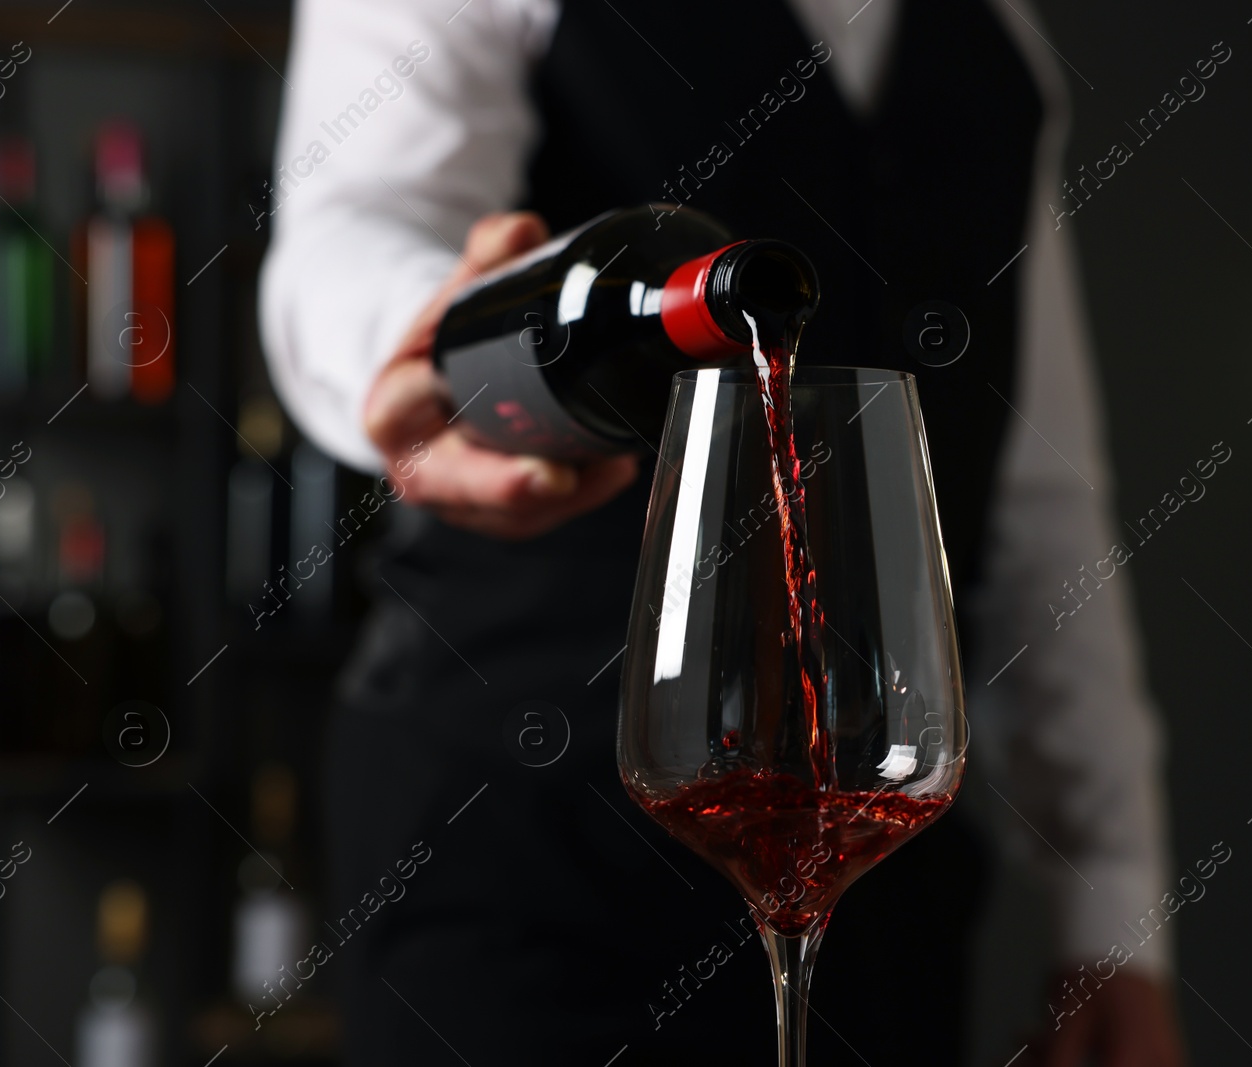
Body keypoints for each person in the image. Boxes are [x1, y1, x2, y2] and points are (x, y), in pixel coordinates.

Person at [260, 1, 1186, 1063]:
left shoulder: (997, 37)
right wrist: (427, 346)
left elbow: (1037, 494)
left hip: (875, 892)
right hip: (524, 862)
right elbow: (350, 236)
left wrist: (1114, 916)